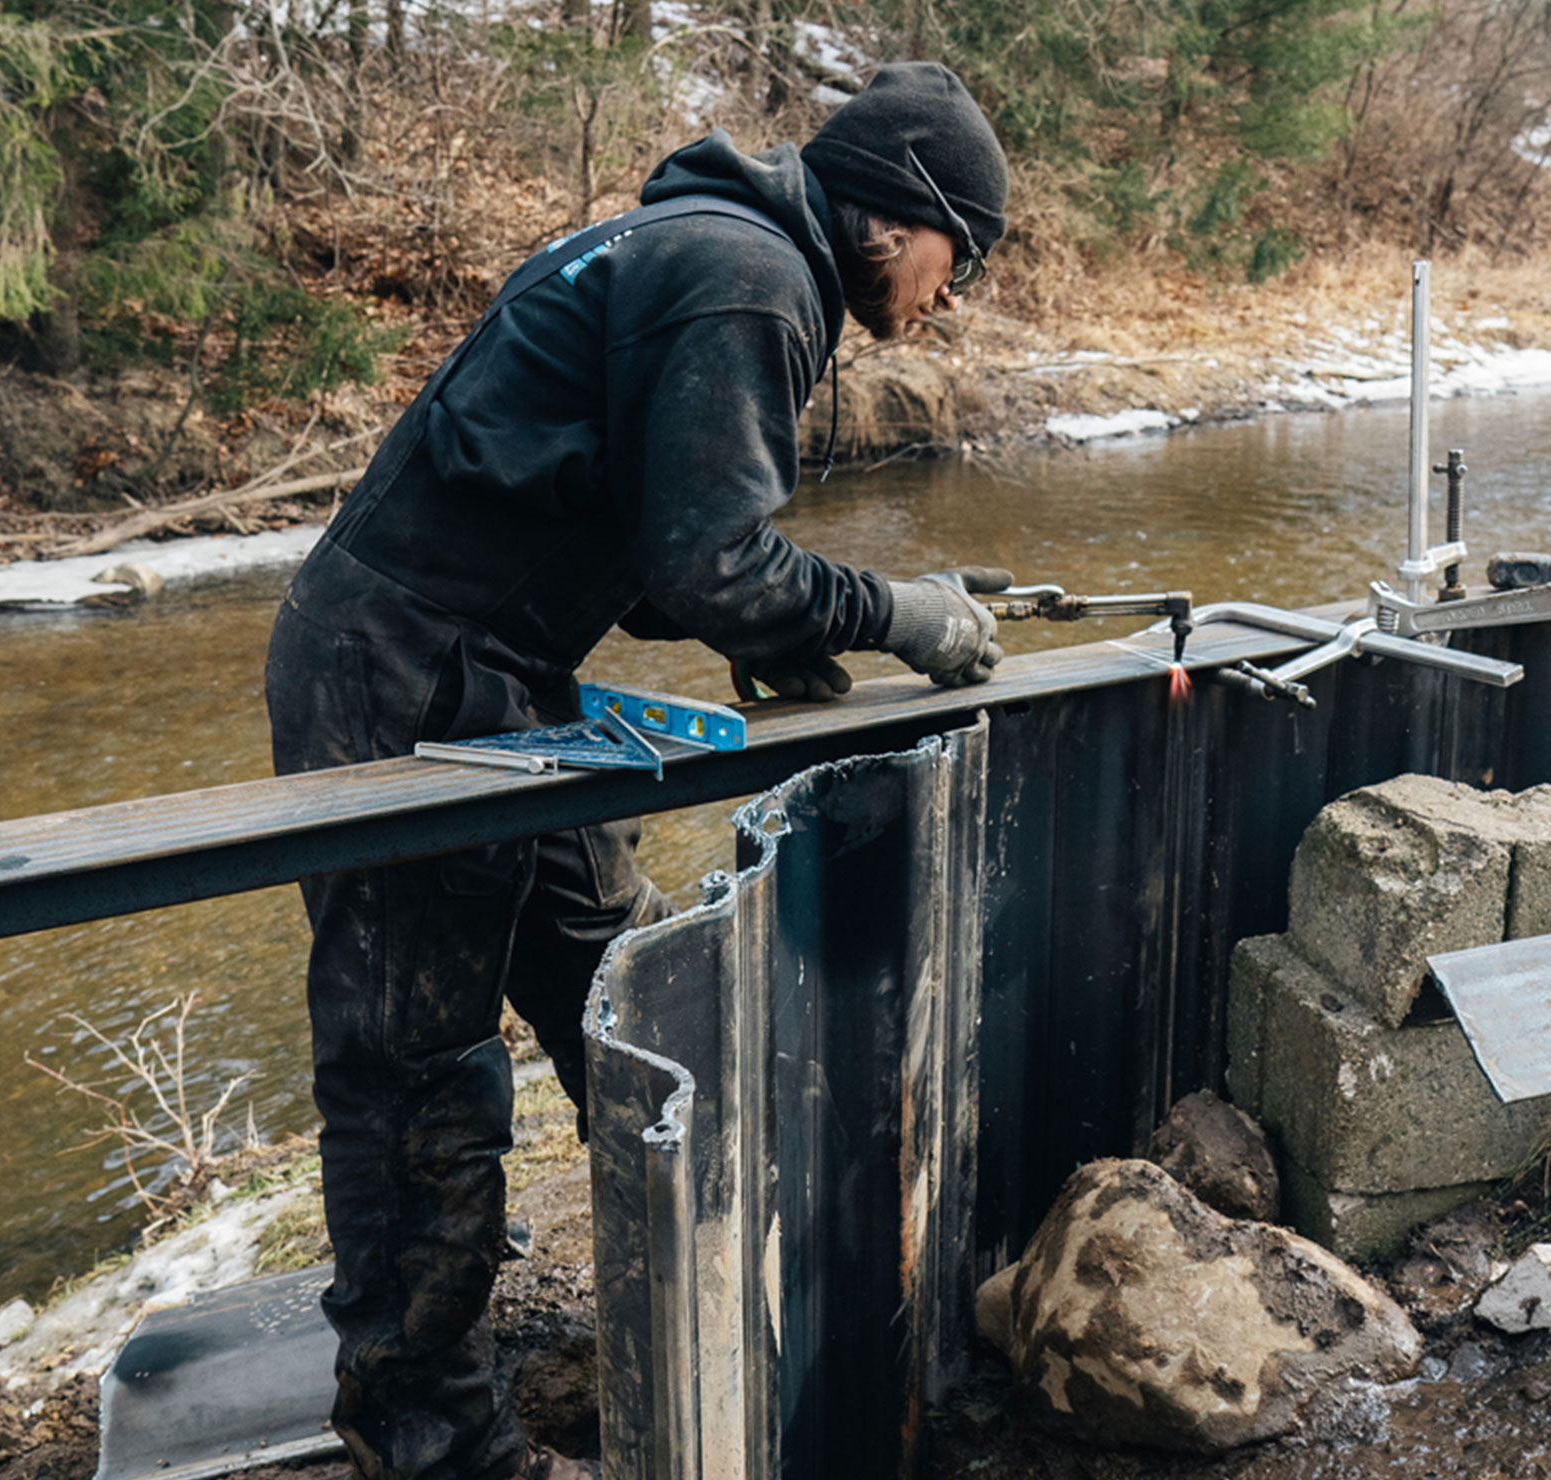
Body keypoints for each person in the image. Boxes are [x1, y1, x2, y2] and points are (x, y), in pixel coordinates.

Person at [263, 62, 1010, 1480]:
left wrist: (767, 623)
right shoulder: (747, 279)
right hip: (402, 675)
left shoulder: (716, 249)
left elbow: (649, 539)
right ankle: (430, 1436)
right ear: (898, 214)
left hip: (493, 672)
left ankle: (682, 1312)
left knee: (619, 994)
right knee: (416, 1071)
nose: (951, 290)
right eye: (955, 252)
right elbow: (713, 560)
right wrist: (892, 615)